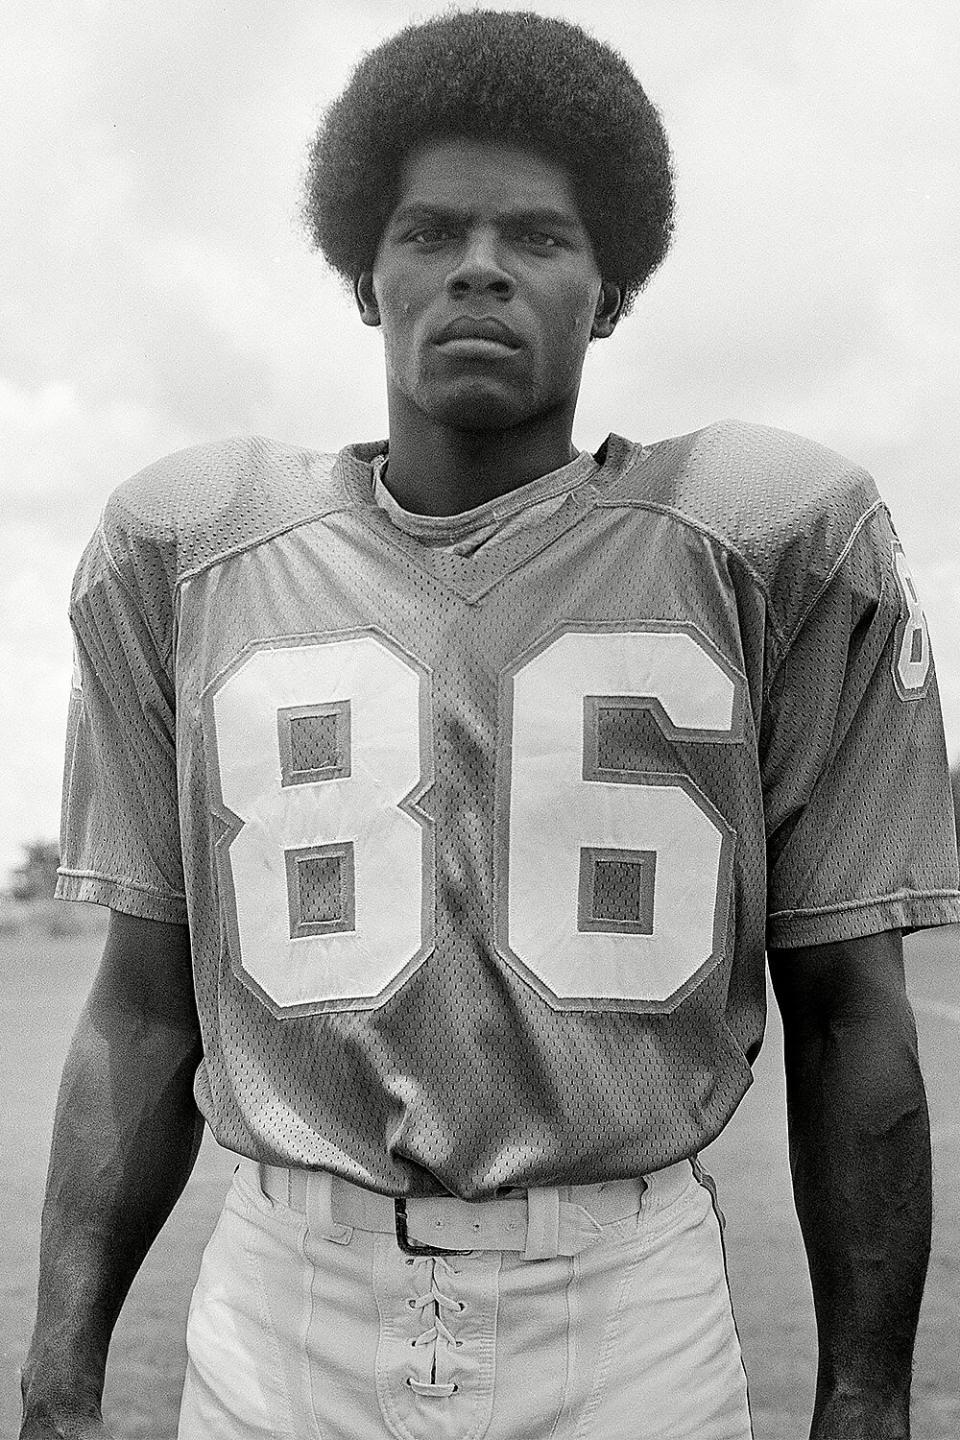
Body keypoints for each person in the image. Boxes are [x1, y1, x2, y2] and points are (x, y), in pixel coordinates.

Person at [20, 10, 960, 1440]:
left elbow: (853, 1026)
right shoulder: (190, 548)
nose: (478, 266)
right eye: (429, 230)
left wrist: (866, 1397)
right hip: (284, 1311)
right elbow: (145, 1013)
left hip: (628, 1310)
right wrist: (58, 1374)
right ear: (364, 269)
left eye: (536, 236)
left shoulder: (770, 539)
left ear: (611, 286)